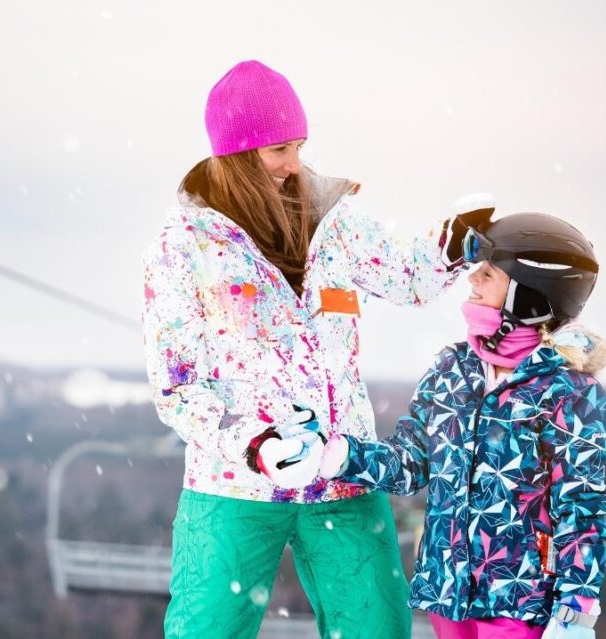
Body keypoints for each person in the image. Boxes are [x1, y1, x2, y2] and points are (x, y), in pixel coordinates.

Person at [141, 59, 491, 638]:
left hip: (342, 468)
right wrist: (253, 442)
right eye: (280, 149)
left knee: (376, 626)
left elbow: (407, 276)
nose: (293, 163)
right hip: (234, 483)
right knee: (208, 628)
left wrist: (449, 247)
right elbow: (176, 385)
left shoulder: (336, 226)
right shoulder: (185, 248)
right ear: (239, 154)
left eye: (299, 145)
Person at [274, 212, 606, 639]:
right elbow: (411, 462)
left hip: (522, 600)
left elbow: (582, 507)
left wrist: (576, 609)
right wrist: (338, 454)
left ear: (528, 296)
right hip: (448, 594)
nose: (472, 280)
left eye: (487, 274)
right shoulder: (454, 369)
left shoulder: (569, 393)